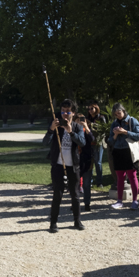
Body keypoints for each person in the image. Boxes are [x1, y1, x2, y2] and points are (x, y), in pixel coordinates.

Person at [43, 99, 86, 233]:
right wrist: (51, 129)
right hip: (58, 165)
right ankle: (53, 223)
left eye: (68, 112)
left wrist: (70, 131)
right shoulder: (55, 126)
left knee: (75, 194)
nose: (65, 114)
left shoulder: (77, 127)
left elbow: (82, 142)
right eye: (63, 111)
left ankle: (77, 220)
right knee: (58, 194)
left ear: (73, 113)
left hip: (73, 166)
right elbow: (45, 142)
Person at [107, 103, 139, 210]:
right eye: (116, 114)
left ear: (124, 111)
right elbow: (109, 141)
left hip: (129, 151)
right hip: (118, 151)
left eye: (119, 113)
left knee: (132, 176)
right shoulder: (114, 124)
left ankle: (135, 200)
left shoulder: (132, 121)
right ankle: (119, 201)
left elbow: (138, 136)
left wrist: (125, 132)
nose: (118, 115)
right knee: (120, 178)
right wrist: (116, 134)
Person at [85, 100, 106, 180]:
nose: (90, 110)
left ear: (96, 109)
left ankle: (99, 181)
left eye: (92, 108)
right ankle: (90, 180)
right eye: (89, 109)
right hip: (89, 142)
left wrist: (93, 126)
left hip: (98, 143)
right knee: (90, 162)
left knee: (98, 162)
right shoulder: (87, 118)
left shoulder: (101, 118)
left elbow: (103, 130)